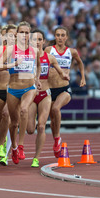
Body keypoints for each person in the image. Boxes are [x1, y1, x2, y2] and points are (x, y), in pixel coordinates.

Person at [0, 22, 42, 165]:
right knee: (13, 123)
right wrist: (13, 65)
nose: (24, 35)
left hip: (29, 87)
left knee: (24, 110)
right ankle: (14, 147)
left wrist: (37, 78)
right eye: (21, 32)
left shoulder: (35, 51)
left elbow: (39, 65)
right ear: (17, 34)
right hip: (13, 88)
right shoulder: (10, 49)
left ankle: (21, 146)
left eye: (26, 32)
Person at [27, 29, 69, 167]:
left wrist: (64, 75)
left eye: (40, 39)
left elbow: (59, 70)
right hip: (32, 95)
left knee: (41, 126)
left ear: (43, 42)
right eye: (34, 40)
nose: (37, 42)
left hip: (45, 94)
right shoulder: (26, 57)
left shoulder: (49, 57)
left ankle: (36, 158)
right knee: (30, 129)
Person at [45, 26, 86, 158]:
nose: (60, 38)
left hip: (64, 88)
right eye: (58, 35)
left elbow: (80, 63)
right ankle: (56, 140)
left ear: (67, 37)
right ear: (55, 37)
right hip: (50, 89)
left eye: (63, 35)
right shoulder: (49, 50)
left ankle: (57, 139)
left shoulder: (72, 52)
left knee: (56, 109)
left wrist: (83, 78)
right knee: (52, 120)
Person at [0, 24, 16, 165]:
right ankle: (5, 147)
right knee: (0, 123)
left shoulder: (19, 52)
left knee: (7, 116)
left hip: (12, 90)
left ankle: (3, 151)